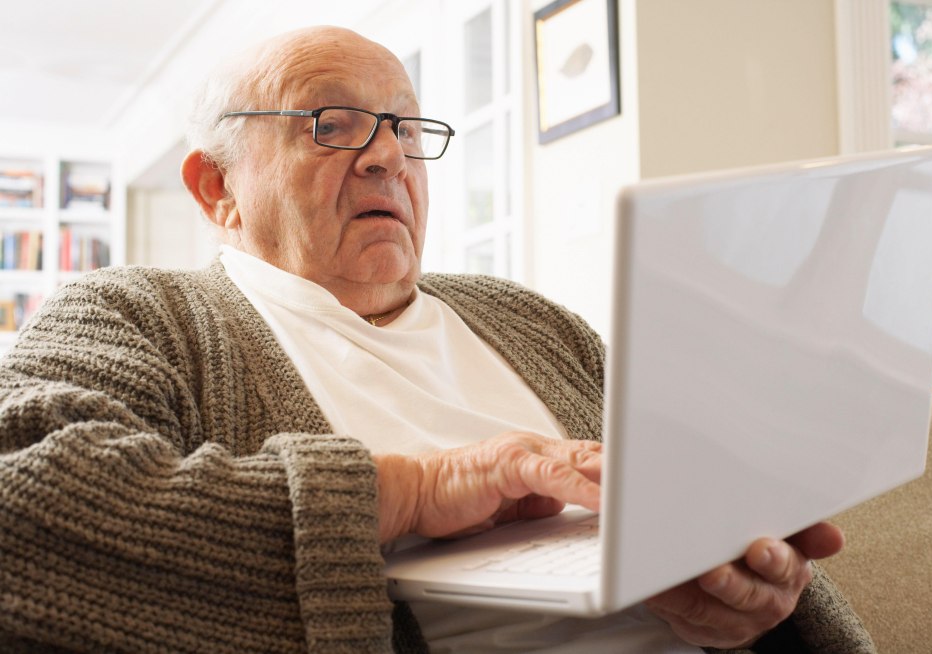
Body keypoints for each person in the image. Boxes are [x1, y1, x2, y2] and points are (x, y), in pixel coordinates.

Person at [0, 25, 875, 654]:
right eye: (330, 125)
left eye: (407, 129)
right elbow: (22, 504)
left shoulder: (527, 319)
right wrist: (418, 492)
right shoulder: (135, 313)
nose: (387, 159)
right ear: (215, 188)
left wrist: (743, 595)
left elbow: (693, 508)